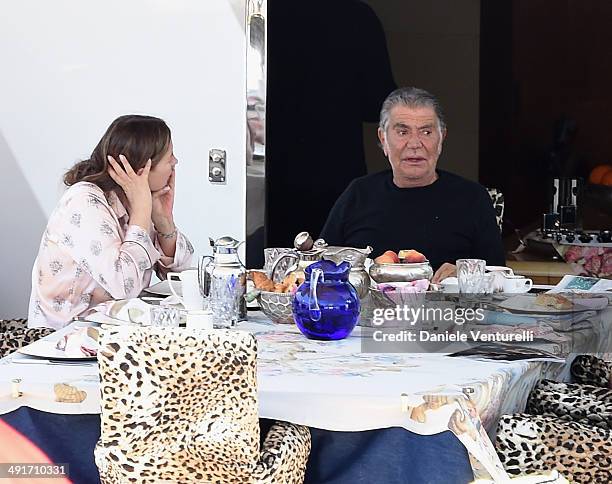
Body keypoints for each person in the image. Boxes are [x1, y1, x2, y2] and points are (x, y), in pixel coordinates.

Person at [320, 87, 505, 283]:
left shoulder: (472, 197)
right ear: (383, 139)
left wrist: (467, 274)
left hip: (448, 311)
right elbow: (321, 267)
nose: (415, 143)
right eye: (402, 132)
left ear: (441, 138)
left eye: (426, 132)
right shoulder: (358, 193)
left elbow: (500, 278)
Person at [28, 115, 194, 329]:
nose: (175, 162)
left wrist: (163, 221)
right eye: (169, 156)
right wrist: (142, 212)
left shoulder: (131, 200)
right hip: (65, 340)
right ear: (143, 168)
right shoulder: (84, 202)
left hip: (113, 335)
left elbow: (180, 279)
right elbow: (124, 285)